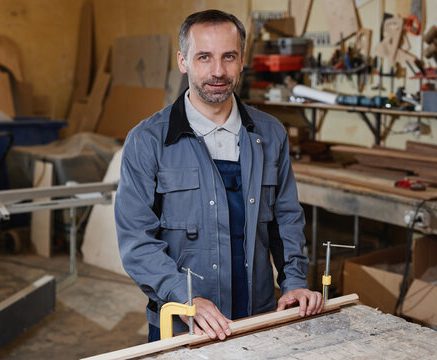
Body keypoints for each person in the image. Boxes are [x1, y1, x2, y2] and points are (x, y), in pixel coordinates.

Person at [115, 9, 323, 343]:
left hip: (257, 318)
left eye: (228, 57)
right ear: (183, 61)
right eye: (204, 57)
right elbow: (136, 241)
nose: (217, 71)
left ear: (242, 61)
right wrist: (185, 297)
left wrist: (295, 282)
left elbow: (285, 220)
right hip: (182, 326)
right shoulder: (148, 141)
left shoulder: (270, 134)